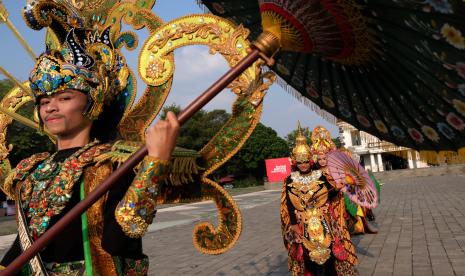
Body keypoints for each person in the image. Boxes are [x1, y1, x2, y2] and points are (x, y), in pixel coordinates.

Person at [0, 3, 179, 274]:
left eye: (64, 98)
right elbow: (27, 242)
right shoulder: (30, 170)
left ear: (93, 101)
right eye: (44, 100)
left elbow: (119, 240)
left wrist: (156, 163)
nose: (50, 107)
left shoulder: (111, 164)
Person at [280, 124, 358, 275]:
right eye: (300, 162)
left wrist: (341, 186)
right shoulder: (289, 180)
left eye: (305, 161)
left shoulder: (320, 175)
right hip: (303, 224)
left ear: (310, 160)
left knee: (329, 253)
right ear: (295, 162)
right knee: (308, 257)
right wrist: (294, 225)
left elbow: (331, 195)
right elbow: (289, 204)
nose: (303, 165)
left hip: (324, 221)